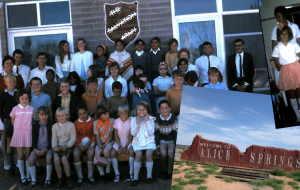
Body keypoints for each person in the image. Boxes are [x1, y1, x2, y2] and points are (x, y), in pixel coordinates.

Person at [273, 25, 300, 122]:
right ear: (279, 35)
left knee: (299, 90)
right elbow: (276, 61)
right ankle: (298, 115)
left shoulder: (294, 45)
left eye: (286, 34)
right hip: (286, 70)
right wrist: (282, 70)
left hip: (296, 68)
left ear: (289, 34)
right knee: (291, 92)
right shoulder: (277, 47)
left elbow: (299, 56)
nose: (284, 36)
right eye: (282, 34)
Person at [10, 89, 35, 185]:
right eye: (22, 98)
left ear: (29, 98)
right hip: (18, 134)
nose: (24, 100)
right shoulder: (15, 109)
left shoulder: (32, 109)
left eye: (26, 98)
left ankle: (28, 175)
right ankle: (23, 176)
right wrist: (17, 129)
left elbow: (32, 122)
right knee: (20, 155)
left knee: (27, 155)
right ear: (18, 99)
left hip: (28, 134)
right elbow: (13, 120)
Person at [130, 101, 156, 186]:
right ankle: (135, 177)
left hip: (149, 141)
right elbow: (133, 133)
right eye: (139, 109)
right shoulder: (133, 119)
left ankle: (149, 176)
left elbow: (151, 132)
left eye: (144, 109)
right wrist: (137, 123)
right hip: (138, 141)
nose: (141, 111)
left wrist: (148, 121)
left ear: (147, 110)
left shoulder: (151, 119)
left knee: (148, 154)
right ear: (136, 111)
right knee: (138, 155)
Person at [27, 106, 53, 188]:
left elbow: (52, 140)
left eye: (45, 114)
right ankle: (33, 180)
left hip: (48, 148)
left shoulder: (51, 125)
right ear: (38, 115)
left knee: (49, 158)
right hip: (37, 148)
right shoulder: (35, 126)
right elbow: (33, 140)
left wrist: (46, 149)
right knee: (30, 160)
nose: (44, 117)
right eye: (41, 114)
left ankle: (48, 179)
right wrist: (34, 149)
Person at [52, 107, 76, 189]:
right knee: (56, 159)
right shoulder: (54, 126)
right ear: (56, 117)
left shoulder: (71, 125)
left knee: (64, 159)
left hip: (68, 146)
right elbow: (54, 139)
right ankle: (60, 180)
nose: (61, 117)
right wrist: (54, 147)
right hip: (58, 147)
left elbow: (73, 139)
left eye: (63, 115)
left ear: (67, 116)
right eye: (58, 115)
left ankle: (69, 180)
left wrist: (67, 146)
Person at [73, 105, 96, 186]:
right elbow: (76, 135)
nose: (82, 115)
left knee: (90, 153)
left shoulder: (93, 121)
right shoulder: (75, 123)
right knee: (75, 154)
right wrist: (79, 145)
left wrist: (90, 142)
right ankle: (80, 177)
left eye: (84, 113)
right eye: (80, 114)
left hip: (90, 142)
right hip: (80, 143)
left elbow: (95, 134)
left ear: (87, 112)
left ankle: (90, 176)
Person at [154, 100, 178, 180]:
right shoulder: (157, 119)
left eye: (166, 107)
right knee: (163, 153)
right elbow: (156, 133)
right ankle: (164, 170)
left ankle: (170, 172)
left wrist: (176, 144)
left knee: (171, 152)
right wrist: (157, 145)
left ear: (170, 109)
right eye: (162, 108)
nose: (165, 109)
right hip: (162, 140)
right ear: (159, 110)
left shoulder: (174, 118)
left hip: (171, 140)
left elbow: (175, 133)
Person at [0, 74, 18, 176]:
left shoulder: (18, 93)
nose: (12, 84)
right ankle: (11, 166)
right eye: (10, 82)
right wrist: (5, 120)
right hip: (8, 121)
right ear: (5, 83)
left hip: (18, 121)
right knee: (9, 143)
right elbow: (1, 109)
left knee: (18, 143)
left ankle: (17, 162)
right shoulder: (3, 95)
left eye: (13, 82)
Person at [111, 105, 134, 182]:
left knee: (132, 152)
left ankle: (131, 172)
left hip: (128, 141)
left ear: (128, 113)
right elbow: (116, 136)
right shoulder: (116, 121)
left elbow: (131, 136)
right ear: (118, 114)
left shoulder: (131, 120)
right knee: (112, 153)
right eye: (121, 113)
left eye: (126, 113)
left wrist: (126, 146)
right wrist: (120, 146)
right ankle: (117, 174)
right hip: (119, 141)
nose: (124, 115)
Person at [93, 105, 115, 184]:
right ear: (99, 116)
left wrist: (104, 145)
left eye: (107, 113)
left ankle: (108, 172)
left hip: (108, 142)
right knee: (97, 153)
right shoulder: (95, 123)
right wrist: (99, 146)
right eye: (105, 114)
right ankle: (101, 173)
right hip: (100, 143)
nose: (107, 115)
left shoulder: (111, 121)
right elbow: (97, 136)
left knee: (106, 152)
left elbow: (110, 136)